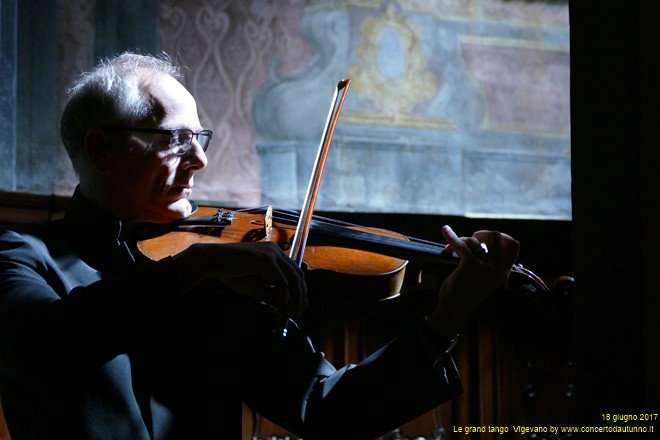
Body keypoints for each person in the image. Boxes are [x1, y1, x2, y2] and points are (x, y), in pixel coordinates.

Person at [0, 51, 520, 440]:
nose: (200, 162)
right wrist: (192, 269)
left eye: (200, 140)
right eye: (176, 141)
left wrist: (445, 321)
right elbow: (42, 350)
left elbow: (328, 410)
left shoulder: (221, 279)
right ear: (103, 149)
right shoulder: (22, 256)